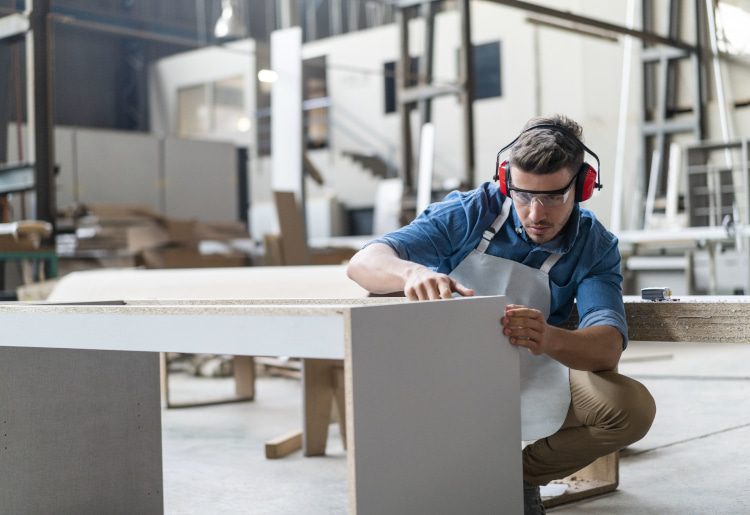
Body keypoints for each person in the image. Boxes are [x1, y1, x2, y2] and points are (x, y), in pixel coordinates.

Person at [346, 114, 656, 514]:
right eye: (523, 196)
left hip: (537, 365)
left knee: (629, 409)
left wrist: (547, 337)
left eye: (552, 198)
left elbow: (607, 348)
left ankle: (520, 476)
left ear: (582, 187)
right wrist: (413, 272)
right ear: (507, 182)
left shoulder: (594, 245)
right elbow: (363, 263)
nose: (535, 214)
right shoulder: (471, 211)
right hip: (448, 367)